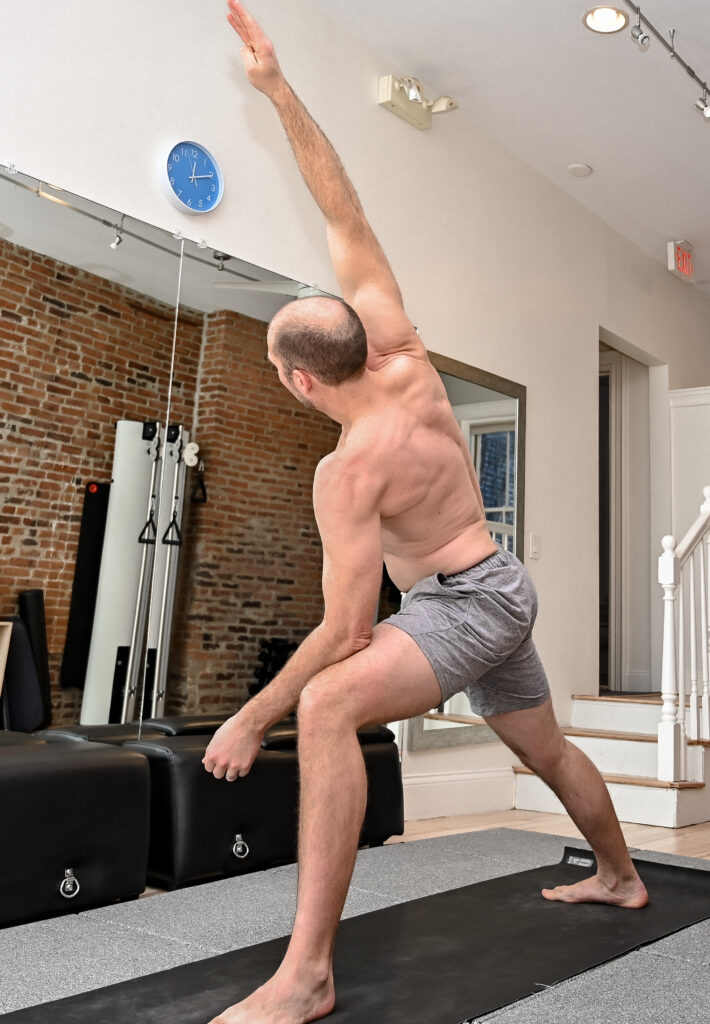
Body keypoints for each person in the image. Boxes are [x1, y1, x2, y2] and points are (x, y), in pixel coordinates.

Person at [202, 4, 649, 1021]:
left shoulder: (347, 472)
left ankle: (308, 975)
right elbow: (343, 208)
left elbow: (347, 632)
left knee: (325, 705)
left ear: (301, 383)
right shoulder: (401, 350)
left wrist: (252, 713)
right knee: (545, 747)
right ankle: (620, 875)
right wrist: (277, 90)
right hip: (500, 584)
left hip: (464, 603)